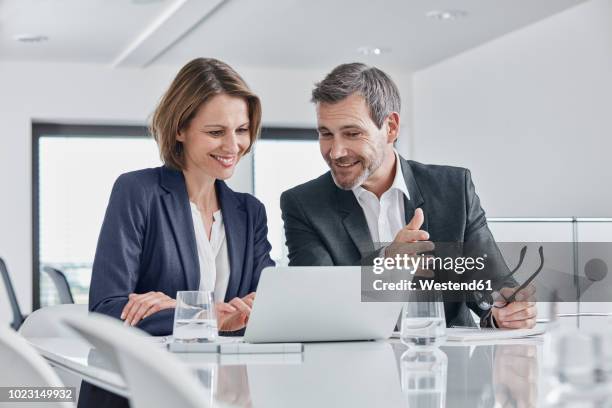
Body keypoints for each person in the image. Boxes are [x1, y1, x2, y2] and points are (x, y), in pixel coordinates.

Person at [280, 62, 536, 329]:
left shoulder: (453, 189)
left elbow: (491, 285)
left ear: (390, 127)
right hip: (354, 364)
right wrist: (385, 265)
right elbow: (317, 304)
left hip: (448, 364)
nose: (336, 152)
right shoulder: (303, 204)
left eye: (352, 133)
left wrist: (506, 311)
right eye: (325, 134)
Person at [81, 58, 274, 408]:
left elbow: (268, 307)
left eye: (242, 130)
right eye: (216, 132)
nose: (233, 145)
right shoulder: (138, 191)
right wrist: (202, 314)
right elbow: (107, 309)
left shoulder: (250, 212)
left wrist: (180, 307)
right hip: (142, 392)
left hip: (224, 393)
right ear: (179, 130)